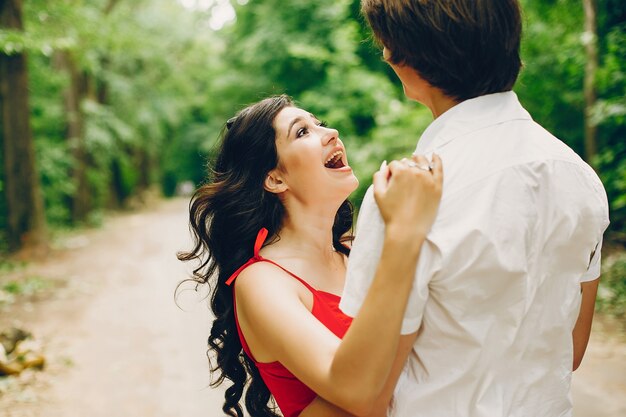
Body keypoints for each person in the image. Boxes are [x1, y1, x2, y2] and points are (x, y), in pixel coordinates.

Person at [340, 1, 611, 417]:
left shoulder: (403, 194)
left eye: (386, 44)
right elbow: (571, 350)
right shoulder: (581, 178)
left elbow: (370, 390)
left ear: (407, 61)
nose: (384, 55)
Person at [178, 95, 443, 417]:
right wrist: (404, 234)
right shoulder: (261, 282)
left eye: (319, 123)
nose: (330, 132)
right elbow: (359, 393)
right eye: (302, 132)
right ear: (275, 179)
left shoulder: (358, 252)